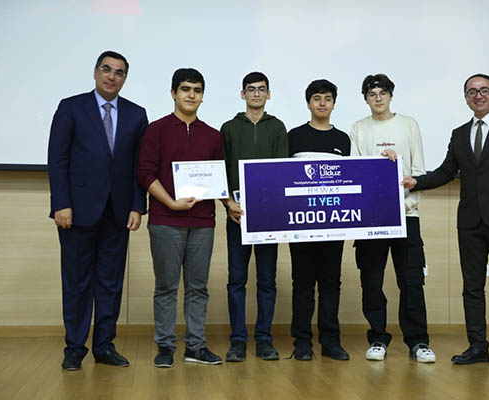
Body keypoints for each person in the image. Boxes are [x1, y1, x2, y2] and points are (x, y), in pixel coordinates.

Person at [402, 73, 489, 368]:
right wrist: (416, 182)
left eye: (484, 90)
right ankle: (477, 346)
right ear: (466, 98)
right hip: (470, 222)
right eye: (472, 92)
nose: (478, 95)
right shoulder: (459, 134)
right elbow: (446, 171)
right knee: (472, 288)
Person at [48, 50, 148, 371]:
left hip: (118, 213)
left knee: (110, 283)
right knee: (76, 283)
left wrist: (137, 206)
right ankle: (75, 348)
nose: (111, 76)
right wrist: (60, 203)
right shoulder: (71, 107)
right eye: (106, 69)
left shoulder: (136, 114)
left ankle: (104, 346)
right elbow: (57, 159)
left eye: (119, 72)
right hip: (76, 212)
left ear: (124, 79)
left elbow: (138, 166)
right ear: (95, 72)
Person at [137, 68, 223, 368]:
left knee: (198, 288)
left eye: (197, 90)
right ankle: (165, 346)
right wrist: (171, 203)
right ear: (173, 93)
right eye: (185, 89)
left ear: (202, 96)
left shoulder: (213, 135)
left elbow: (218, 179)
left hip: (203, 223)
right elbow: (145, 173)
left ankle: (196, 347)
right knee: (166, 287)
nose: (191, 95)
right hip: (165, 220)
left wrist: (231, 204)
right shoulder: (156, 130)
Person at [350, 74, 436, 363]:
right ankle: (377, 338)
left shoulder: (409, 125)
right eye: (372, 94)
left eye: (382, 93)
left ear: (390, 96)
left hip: (406, 216)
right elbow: (356, 173)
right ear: (366, 98)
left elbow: (419, 171)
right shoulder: (359, 128)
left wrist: (408, 204)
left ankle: (418, 342)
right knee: (371, 281)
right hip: (371, 219)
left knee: (411, 281)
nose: (378, 98)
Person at [220, 72, 288, 362]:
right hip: (237, 216)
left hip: (268, 218)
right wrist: (228, 204)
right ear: (243, 94)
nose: (256, 94)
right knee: (236, 280)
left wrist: (272, 208)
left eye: (261, 89)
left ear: (268, 94)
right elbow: (221, 171)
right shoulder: (229, 128)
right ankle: (237, 341)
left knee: (267, 281)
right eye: (251, 89)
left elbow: (282, 171)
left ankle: (264, 340)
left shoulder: (278, 127)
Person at [287, 79, 351, 361]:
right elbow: (283, 179)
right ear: (308, 103)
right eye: (317, 98)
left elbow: (350, 180)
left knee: (330, 283)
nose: (322, 103)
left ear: (333, 103)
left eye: (327, 98)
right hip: (301, 224)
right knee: (302, 283)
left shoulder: (343, 140)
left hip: (333, 224)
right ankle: (302, 342)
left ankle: (330, 341)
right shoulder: (294, 136)